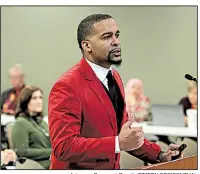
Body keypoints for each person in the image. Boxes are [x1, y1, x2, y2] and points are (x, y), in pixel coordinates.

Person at [48, 14, 182, 169]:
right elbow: (63, 147)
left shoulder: (115, 77)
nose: (116, 41)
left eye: (116, 35)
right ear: (87, 46)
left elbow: (125, 132)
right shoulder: (67, 86)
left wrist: (159, 155)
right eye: (106, 37)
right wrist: (117, 143)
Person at [12, 86, 51, 169]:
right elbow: (22, 152)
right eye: (34, 98)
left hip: (51, 162)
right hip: (36, 165)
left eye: (40, 97)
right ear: (26, 101)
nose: (39, 101)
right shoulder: (21, 123)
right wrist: (51, 152)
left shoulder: (41, 122)